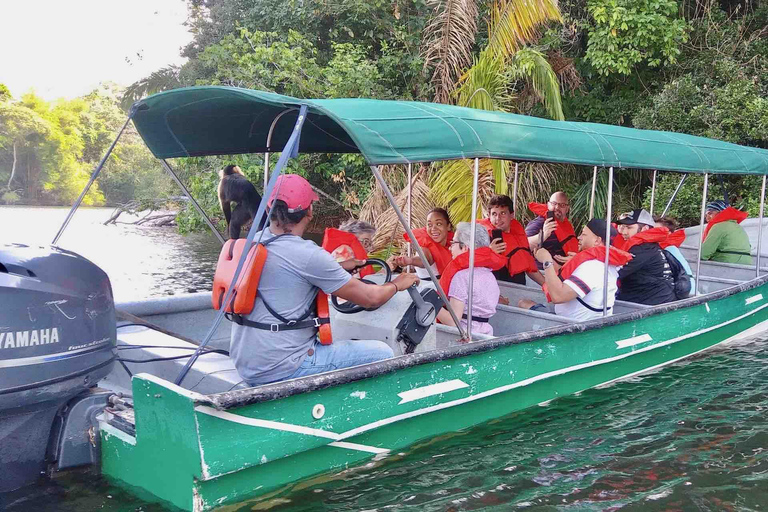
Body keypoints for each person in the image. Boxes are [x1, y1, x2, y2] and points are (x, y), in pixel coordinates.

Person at [229, 174, 419, 386]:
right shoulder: (309, 254)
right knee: (382, 352)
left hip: (246, 363)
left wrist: (339, 267)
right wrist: (398, 283)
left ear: (268, 209)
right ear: (309, 211)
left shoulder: (252, 242)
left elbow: (290, 272)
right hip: (285, 366)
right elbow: (370, 298)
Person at [517, 219, 632, 321]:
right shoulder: (606, 262)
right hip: (584, 322)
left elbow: (557, 296)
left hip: (571, 326)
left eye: (584, 234)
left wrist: (547, 261)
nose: (579, 237)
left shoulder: (593, 267)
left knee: (523, 303)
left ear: (597, 240)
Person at [436, 222, 504, 336]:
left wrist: (431, 304)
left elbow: (454, 321)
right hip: (486, 335)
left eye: (453, 243)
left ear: (465, 248)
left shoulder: (461, 277)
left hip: (463, 339)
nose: (450, 247)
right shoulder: (490, 275)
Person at [615, 209, 676, 305]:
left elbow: (614, 272)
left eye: (629, 228)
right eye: (623, 227)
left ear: (645, 228)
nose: (624, 232)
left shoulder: (642, 248)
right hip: (657, 299)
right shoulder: (650, 245)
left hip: (652, 306)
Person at [479, 195, 544, 285]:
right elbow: (472, 267)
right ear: (489, 216)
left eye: (503, 213)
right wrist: (489, 252)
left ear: (511, 215)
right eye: (494, 214)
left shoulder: (518, 234)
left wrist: (548, 287)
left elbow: (530, 267)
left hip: (518, 290)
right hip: (496, 290)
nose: (498, 218)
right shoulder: (482, 237)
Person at [395, 208, 454, 280]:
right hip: (430, 288)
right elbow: (424, 259)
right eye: (429, 225)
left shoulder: (454, 244)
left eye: (438, 224)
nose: (433, 228)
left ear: (448, 226)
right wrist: (410, 260)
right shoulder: (425, 246)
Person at [526, 192, 579, 264]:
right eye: (554, 203)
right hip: (542, 271)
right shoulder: (539, 223)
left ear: (567, 209)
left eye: (562, 205)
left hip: (565, 269)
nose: (557, 207)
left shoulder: (567, 225)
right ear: (548, 205)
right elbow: (522, 245)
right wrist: (543, 235)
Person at [700, 200, 752, 264]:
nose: (706, 216)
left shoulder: (718, 226)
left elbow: (704, 253)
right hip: (747, 263)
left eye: (710, 213)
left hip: (728, 262)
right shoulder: (739, 227)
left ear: (719, 213)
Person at [655, 216, 695, 294]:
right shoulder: (665, 247)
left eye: (656, 230)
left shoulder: (670, 249)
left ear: (668, 233)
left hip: (685, 289)